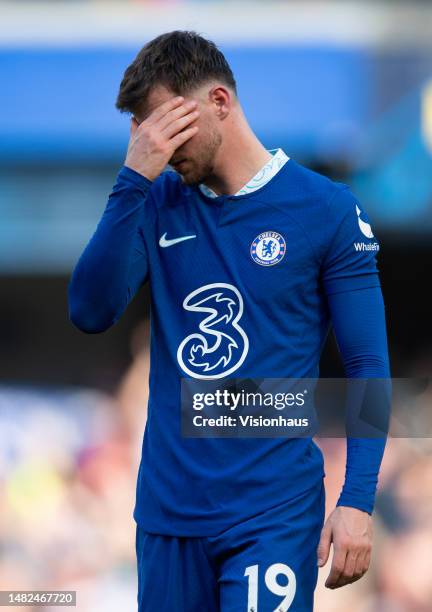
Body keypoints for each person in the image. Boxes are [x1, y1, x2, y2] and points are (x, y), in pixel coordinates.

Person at [68, 30, 390, 611]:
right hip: (168, 516)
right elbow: (90, 312)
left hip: (273, 511)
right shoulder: (155, 201)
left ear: (218, 102)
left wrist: (358, 499)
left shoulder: (327, 210)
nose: (156, 143)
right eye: (142, 130)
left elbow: (368, 364)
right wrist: (132, 182)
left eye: (165, 122)